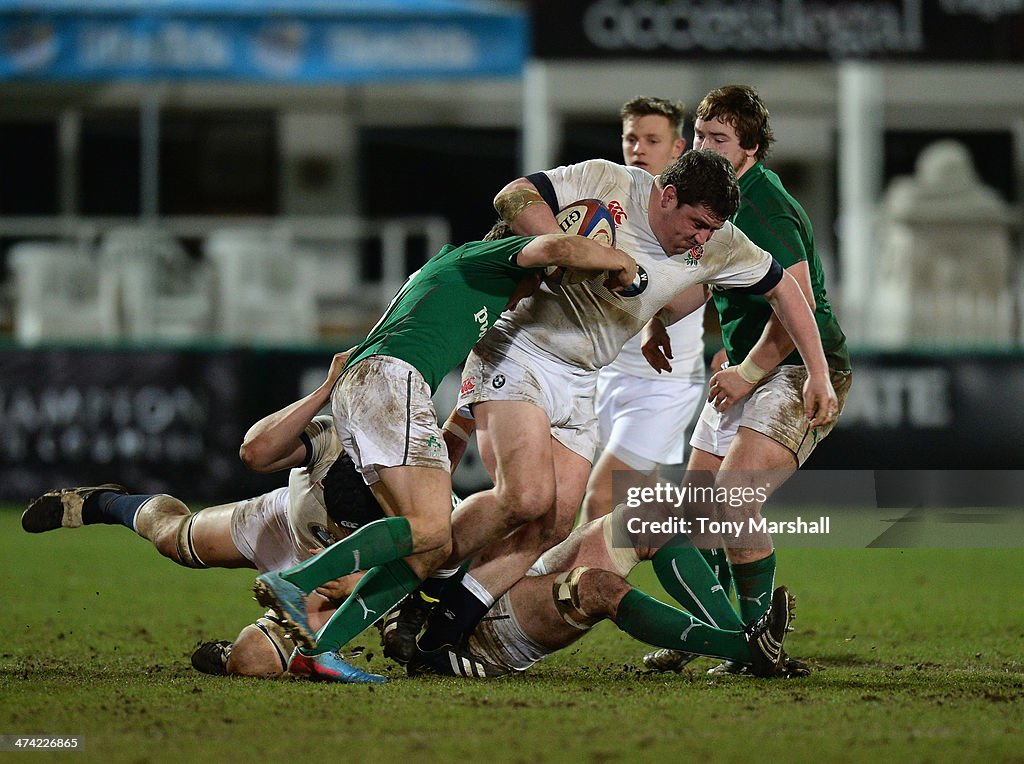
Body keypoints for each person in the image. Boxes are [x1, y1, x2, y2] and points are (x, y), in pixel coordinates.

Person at [412, 149, 838, 660]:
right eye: (697, 223)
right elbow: (512, 196)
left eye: (712, 229)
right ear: (668, 195)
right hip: (520, 348)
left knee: (553, 522)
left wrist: (819, 373)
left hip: (582, 375)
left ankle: (444, 624)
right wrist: (569, 252)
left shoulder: (718, 242)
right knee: (526, 498)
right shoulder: (607, 181)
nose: (702, 239)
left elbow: (788, 290)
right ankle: (417, 591)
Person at [252, 222, 638, 682]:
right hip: (392, 379)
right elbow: (555, 244)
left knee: (429, 541)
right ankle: (294, 583)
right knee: (432, 529)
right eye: (534, 283)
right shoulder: (487, 255)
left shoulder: (462, 285)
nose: (526, 297)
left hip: (374, 384)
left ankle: (321, 649)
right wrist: (622, 262)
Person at [640, 85, 853, 674]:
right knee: (696, 512)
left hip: (796, 370)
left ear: (751, 149)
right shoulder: (725, 201)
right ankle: (713, 634)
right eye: (702, 136)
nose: (705, 146)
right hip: (748, 368)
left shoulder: (763, 203)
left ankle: (758, 643)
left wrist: (750, 370)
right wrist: (660, 321)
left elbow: (797, 305)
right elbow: (707, 281)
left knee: (730, 499)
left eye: (719, 139)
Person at [20, 353, 389, 682]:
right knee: (173, 539)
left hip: (338, 580)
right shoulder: (336, 435)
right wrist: (326, 389)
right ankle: (103, 503)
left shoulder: (417, 471)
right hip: (284, 520)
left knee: (253, 660)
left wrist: (368, 586)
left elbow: (434, 548)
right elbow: (254, 452)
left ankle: (233, 655)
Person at [408, 501, 799, 679]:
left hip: (523, 563)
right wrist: (407, 622)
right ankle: (746, 649)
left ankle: (745, 645)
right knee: (595, 588)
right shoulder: (388, 485)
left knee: (649, 517)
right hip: (481, 614)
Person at [580, 96, 707, 526]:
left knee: (600, 500)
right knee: (641, 515)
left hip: (663, 384)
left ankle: (559, 592)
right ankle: (712, 583)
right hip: (608, 373)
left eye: (653, 139)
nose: (639, 149)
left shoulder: (695, 213)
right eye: (632, 138)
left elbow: (711, 286)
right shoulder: (607, 202)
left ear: (678, 148)